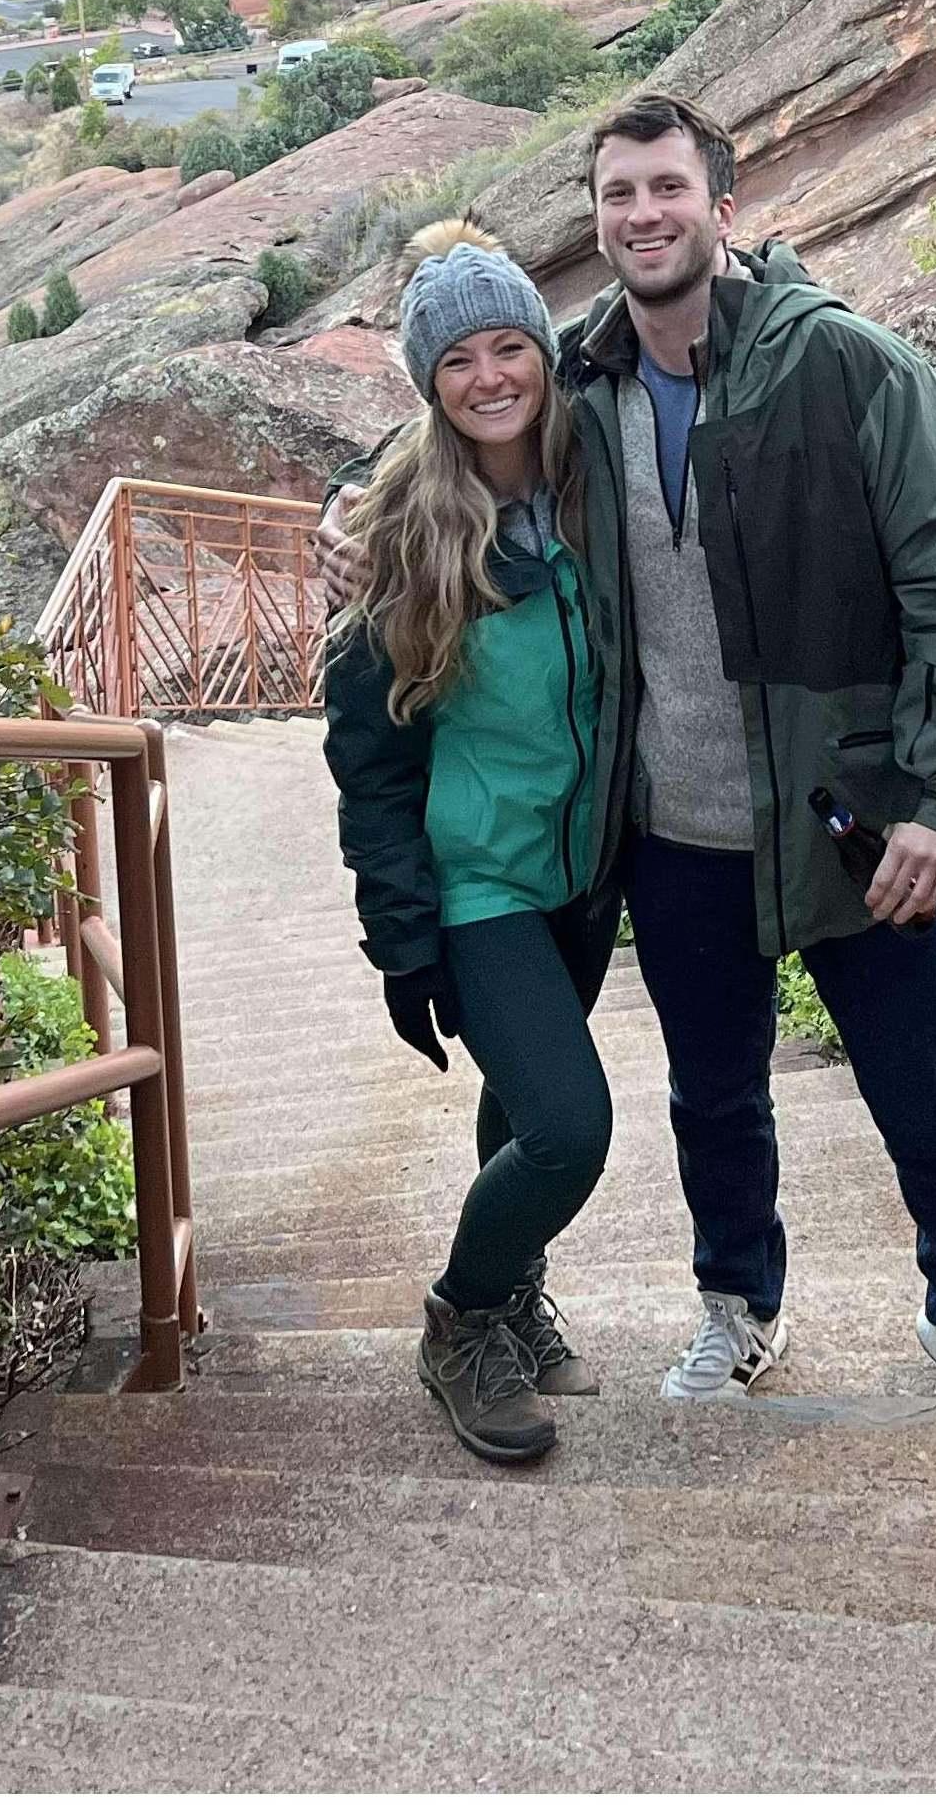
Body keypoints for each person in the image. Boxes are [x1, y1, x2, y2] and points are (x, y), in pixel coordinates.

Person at [328, 93, 936, 1406]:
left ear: (724, 206)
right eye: (618, 194)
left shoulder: (851, 367)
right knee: (714, 1103)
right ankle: (736, 1310)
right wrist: (352, 517)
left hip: (849, 815)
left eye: (668, 188)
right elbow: (460, 408)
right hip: (672, 834)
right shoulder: (586, 380)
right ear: (596, 222)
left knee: (925, 1096)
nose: (644, 214)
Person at [325, 222, 624, 1468]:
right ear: (426, 383)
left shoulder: (597, 481)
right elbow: (369, 761)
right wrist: (405, 940)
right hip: (481, 882)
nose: (492, 376)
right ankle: (460, 1317)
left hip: (584, 870)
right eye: (459, 360)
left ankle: (510, 1295)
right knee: (569, 1125)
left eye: (513, 346)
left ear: (546, 355)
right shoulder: (398, 533)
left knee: (520, 1098)